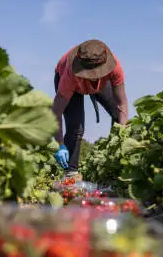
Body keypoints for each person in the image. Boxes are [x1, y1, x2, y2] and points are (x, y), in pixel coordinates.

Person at [52, 39, 129, 180]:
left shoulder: (114, 67)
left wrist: (122, 135)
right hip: (72, 81)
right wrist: (60, 144)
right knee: (76, 126)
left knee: (118, 116)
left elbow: (121, 103)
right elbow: (56, 112)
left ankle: (114, 164)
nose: (93, 76)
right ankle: (70, 172)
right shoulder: (70, 73)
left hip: (101, 81)